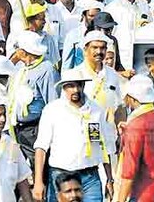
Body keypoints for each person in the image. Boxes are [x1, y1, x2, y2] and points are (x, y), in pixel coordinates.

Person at [32, 67, 117, 202]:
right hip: (61, 175)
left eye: (78, 85)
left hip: (90, 176)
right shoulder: (52, 110)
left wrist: (109, 178)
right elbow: (41, 147)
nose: (75, 90)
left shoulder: (96, 110)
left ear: (83, 85)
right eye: (70, 86)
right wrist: (38, 182)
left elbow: (105, 146)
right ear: (63, 88)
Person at [114, 75, 154, 202]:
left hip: (142, 191)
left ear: (132, 98)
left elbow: (129, 170)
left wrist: (120, 200)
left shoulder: (135, 126)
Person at [6, 30, 58, 164]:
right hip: (17, 128)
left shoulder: (46, 69)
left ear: (23, 52)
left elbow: (52, 102)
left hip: (34, 128)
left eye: (17, 48)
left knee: (38, 166)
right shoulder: (22, 68)